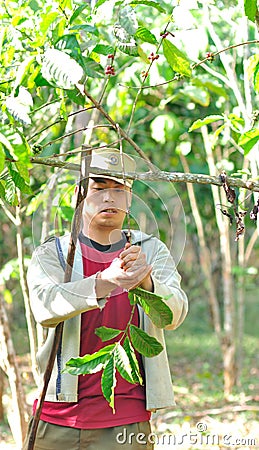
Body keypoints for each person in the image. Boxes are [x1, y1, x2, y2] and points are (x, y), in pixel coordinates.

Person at [24, 148, 188, 450]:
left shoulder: (151, 252)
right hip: (56, 416)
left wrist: (148, 282)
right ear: (80, 194)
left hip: (126, 420)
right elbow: (44, 308)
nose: (109, 198)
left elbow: (175, 314)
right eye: (99, 189)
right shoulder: (53, 254)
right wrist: (105, 281)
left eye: (119, 190)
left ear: (130, 198)